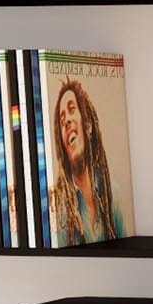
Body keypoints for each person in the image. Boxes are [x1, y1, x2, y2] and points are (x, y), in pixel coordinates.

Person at [48, 77, 125, 244]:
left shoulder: (113, 194)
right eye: (62, 120)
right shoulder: (59, 211)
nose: (67, 120)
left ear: (88, 125)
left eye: (72, 109)